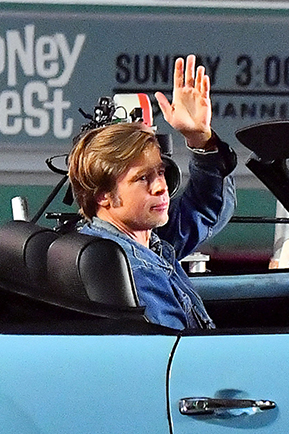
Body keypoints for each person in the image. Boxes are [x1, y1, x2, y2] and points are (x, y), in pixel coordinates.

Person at [68, 55, 236, 329]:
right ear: (103, 195)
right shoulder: (136, 273)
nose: (161, 186)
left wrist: (199, 137)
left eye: (160, 172)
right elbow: (182, 359)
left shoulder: (137, 242)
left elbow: (206, 210)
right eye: (142, 178)